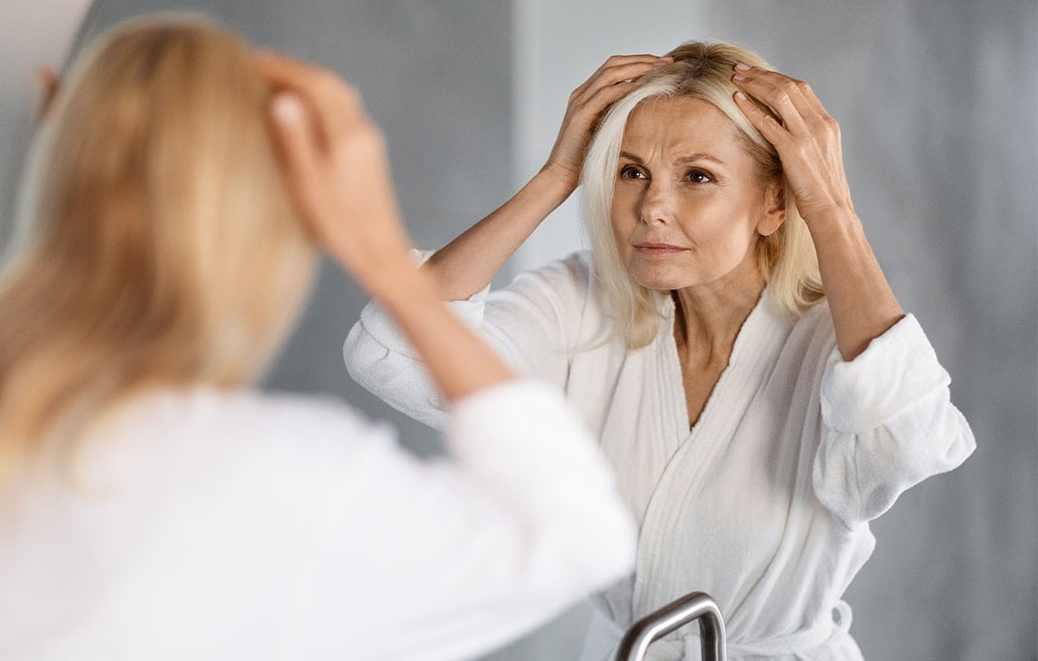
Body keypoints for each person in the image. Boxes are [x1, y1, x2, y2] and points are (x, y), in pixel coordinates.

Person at [0, 15, 637, 660]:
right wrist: (382, 255)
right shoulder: (289, 480)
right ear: (288, 216)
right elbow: (580, 533)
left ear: (51, 131)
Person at [344, 40, 976, 660]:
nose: (651, 208)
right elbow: (392, 354)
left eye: (698, 176)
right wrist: (556, 176)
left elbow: (907, 443)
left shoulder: (836, 343)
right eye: (631, 171)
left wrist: (831, 208)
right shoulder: (584, 303)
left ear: (775, 204)